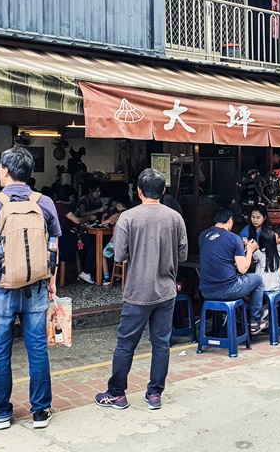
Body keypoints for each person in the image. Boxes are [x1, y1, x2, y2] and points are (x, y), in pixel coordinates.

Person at [0, 147, 62, 431]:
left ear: (6, 170)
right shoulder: (44, 202)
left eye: (0, 168)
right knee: (37, 349)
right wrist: (51, 281)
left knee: (0, 350)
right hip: (36, 287)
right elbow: (54, 248)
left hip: (1, 289)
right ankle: (40, 411)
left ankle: (1, 413)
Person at [95, 169, 188, 411]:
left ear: (138, 191)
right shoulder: (175, 217)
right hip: (166, 291)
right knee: (161, 344)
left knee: (126, 344)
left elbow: (120, 255)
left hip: (137, 292)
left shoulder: (128, 217)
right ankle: (155, 394)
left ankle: (117, 394)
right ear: (163, 191)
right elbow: (183, 254)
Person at [198, 207, 267, 335]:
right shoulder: (233, 238)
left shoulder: (203, 236)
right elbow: (243, 269)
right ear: (230, 220)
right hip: (228, 290)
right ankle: (255, 321)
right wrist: (250, 250)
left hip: (206, 291)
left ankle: (240, 316)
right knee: (257, 280)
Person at [252, 227, 280, 293]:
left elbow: (251, 254)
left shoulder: (259, 255)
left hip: (262, 288)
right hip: (276, 287)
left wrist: (248, 244)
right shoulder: (279, 256)